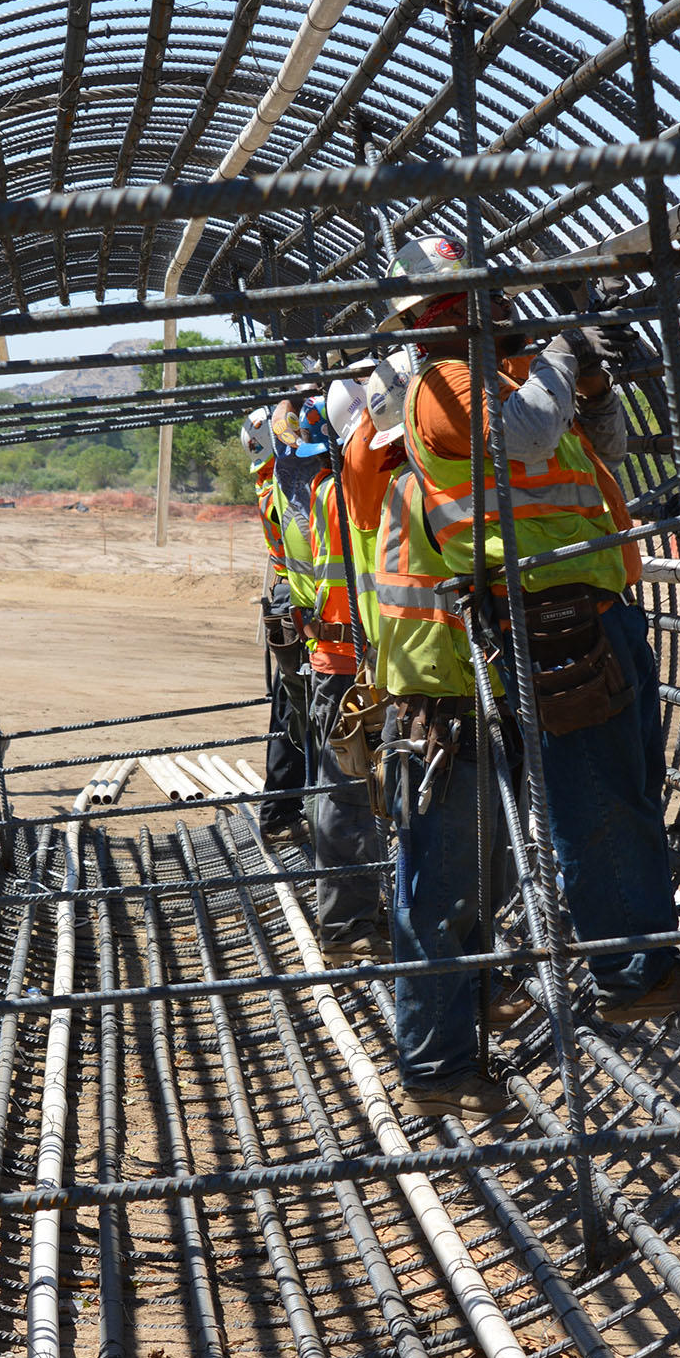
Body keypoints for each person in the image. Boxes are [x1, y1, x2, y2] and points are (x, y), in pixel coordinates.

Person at [377, 235, 680, 1122]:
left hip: (582, 609)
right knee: (576, 804)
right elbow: (525, 440)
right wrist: (568, 348)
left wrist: (591, 374)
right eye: (486, 299)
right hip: (531, 628)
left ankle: (611, 969)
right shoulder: (445, 382)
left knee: (616, 787)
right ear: (446, 312)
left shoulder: (503, 376)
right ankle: (626, 967)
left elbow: (594, 455)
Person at [301, 376, 389, 963]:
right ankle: (346, 924)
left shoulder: (321, 489)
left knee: (347, 792)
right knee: (349, 794)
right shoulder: (350, 483)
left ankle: (353, 915)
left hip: (342, 659)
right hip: (347, 663)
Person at [245, 408, 306, 843]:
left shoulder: (268, 477)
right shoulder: (285, 484)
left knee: (290, 708)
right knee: (298, 712)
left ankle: (282, 809)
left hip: (287, 597)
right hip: (297, 599)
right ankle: (283, 811)